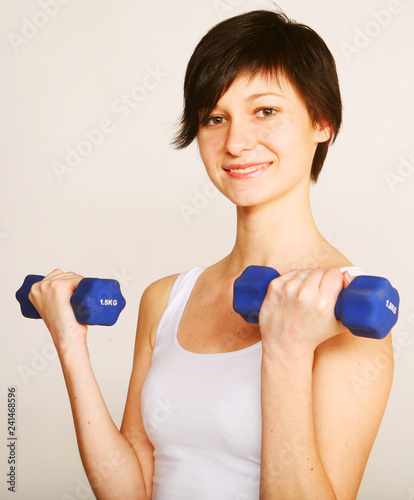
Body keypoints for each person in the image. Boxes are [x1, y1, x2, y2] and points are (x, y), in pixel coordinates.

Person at [29, 8, 394, 500]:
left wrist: (285, 349)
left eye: (265, 111)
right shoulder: (165, 299)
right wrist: (71, 345)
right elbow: (131, 489)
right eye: (215, 118)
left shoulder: (348, 313)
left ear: (322, 121)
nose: (236, 142)